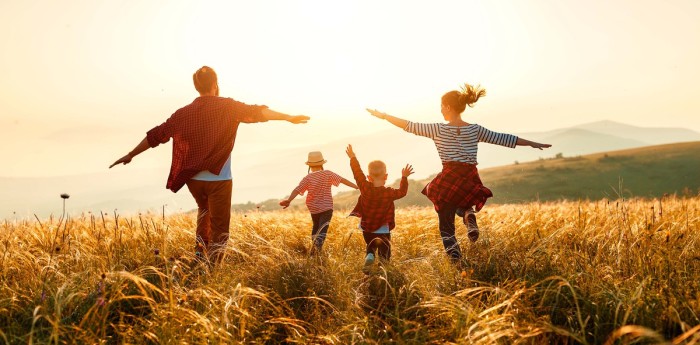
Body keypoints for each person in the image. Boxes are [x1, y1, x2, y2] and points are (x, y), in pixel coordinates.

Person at [110, 66, 309, 264]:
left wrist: (131, 154)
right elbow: (257, 112)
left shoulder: (183, 113)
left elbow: (157, 135)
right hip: (219, 179)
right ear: (215, 84)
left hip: (194, 180)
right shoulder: (228, 107)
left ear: (197, 86)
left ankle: (199, 256)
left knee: (204, 212)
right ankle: (213, 268)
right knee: (220, 227)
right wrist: (288, 117)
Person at [366, 83, 551, 264]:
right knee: (463, 201)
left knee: (445, 224)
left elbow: (408, 125)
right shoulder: (475, 129)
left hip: (449, 177)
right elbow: (504, 138)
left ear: (447, 106)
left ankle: (456, 260)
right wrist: (533, 143)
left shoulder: (438, 129)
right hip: (470, 177)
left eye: (441, 106)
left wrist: (384, 116)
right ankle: (468, 214)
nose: (440, 110)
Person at [345, 144, 413, 273]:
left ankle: (370, 255)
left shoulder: (364, 187)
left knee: (370, 246)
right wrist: (404, 177)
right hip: (383, 228)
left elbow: (357, 173)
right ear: (386, 176)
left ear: (368, 177)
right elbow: (402, 192)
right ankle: (383, 269)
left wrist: (353, 158)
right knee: (384, 251)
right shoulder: (389, 192)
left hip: (367, 227)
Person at [279, 151, 358, 255]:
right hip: (326, 207)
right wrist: (356, 186)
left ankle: (314, 249)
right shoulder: (328, 173)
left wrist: (289, 200)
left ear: (310, 166)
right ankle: (317, 250)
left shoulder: (307, 178)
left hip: (314, 208)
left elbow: (297, 190)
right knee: (323, 229)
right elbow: (342, 180)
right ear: (322, 164)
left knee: (316, 227)